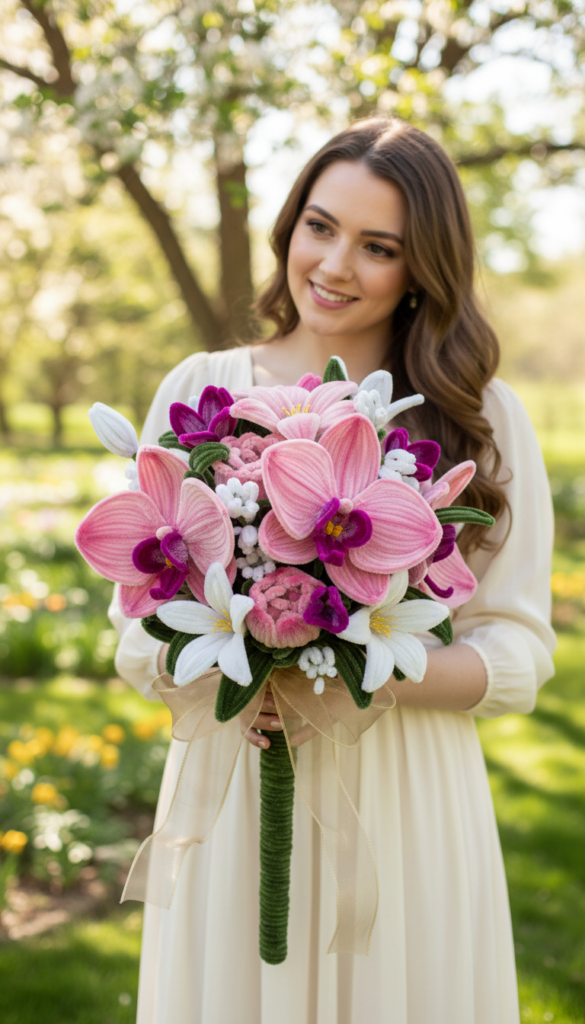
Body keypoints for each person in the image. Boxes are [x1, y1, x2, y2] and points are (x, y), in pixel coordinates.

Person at [109, 117, 556, 1024]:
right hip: (240, 779)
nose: (335, 265)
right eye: (320, 227)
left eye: (377, 246)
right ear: (288, 228)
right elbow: (134, 634)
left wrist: (360, 679)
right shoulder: (205, 388)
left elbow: (515, 654)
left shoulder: (475, 415)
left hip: (404, 792)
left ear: (420, 267)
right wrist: (247, 667)